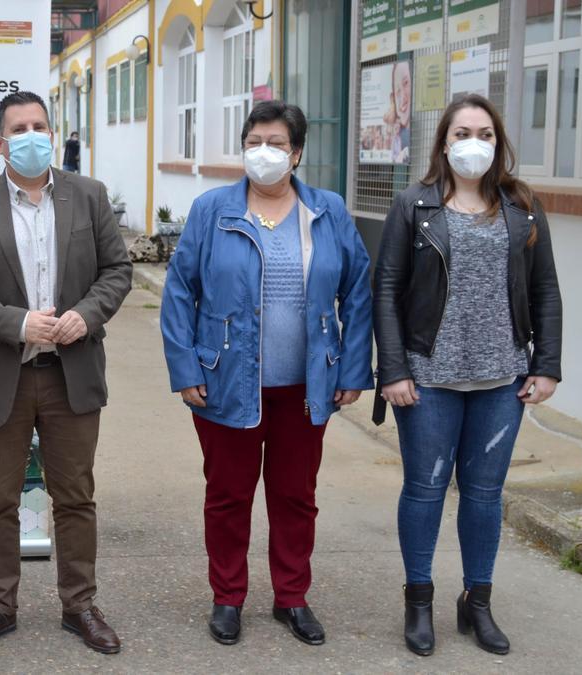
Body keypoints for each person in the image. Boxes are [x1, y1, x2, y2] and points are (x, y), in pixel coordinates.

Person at [160, 100, 374, 648]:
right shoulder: (212, 209)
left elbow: (358, 291)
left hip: (305, 386)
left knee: (295, 496)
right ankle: (228, 596)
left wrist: (353, 367)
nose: (264, 152)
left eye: (276, 143)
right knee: (228, 495)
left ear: (297, 152)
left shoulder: (327, 210)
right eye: (254, 140)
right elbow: (180, 291)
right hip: (226, 381)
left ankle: (292, 597)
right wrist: (185, 367)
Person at [0, 91, 132, 655]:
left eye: (39, 125)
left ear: (53, 132)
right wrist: (19, 324)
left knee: (74, 496)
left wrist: (84, 316)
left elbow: (116, 271)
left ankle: (80, 606)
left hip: (72, 373)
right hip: (3, 373)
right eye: (18, 128)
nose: (31, 136)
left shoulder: (88, 197)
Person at [373, 93, 562, 657]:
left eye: (483, 132)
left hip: (502, 379)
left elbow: (545, 288)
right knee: (425, 490)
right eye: (461, 133)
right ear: (444, 142)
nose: (472, 143)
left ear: (498, 141)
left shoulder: (522, 207)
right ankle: (420, 601)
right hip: (428, 378)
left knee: (484, 495)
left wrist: (546, 364)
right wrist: (395, 368)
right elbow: (385, 289)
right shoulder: (414, 205)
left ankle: (476, 602)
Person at [384, 61, 412, 164]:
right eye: (398, 91)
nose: (403, 98)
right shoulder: (396, 137)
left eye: (406, 83)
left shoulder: (407, 134)